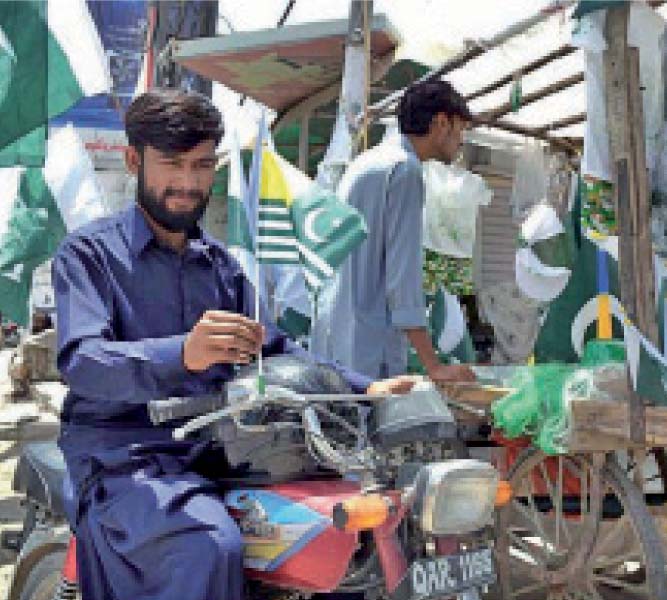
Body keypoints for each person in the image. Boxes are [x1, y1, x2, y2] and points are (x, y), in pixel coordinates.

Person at [53, 89, 414, 600]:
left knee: (337, 527)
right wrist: (182, 355)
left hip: (221, 444)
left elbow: (275, 348)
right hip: (121, 451)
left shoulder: (221, 267)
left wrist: (369, 387)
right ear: (135, 160)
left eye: (201, 166)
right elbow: (82, 361)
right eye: (171, 164)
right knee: (209, 545)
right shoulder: (89, 254)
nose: (187, 182)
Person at [326, 79, 477, 382]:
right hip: (368, 348)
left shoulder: (368, 162)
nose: (461, 141)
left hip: (336, 335)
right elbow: (402, 275)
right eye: (460, 130)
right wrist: (433, 366)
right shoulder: (404, 170)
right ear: (441, 123)